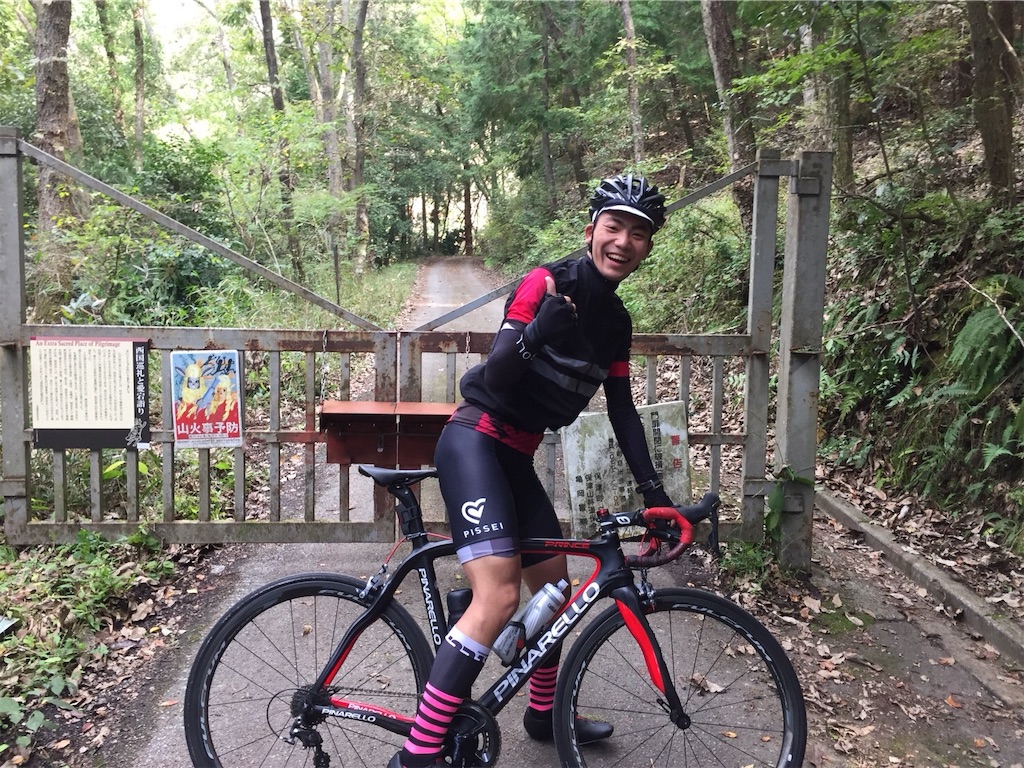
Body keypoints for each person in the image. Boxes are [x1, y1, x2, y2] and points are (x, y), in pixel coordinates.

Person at [389, 173, 675, 768]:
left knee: (554, 590)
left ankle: (542, 716)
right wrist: (538, 331)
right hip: (475, 441)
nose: (622, 241)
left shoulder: (615, 323)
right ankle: (418, 756)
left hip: (516, 455)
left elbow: (621, 409)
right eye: (614, 226)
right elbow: (495, 378)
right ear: (592, 229)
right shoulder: (545, 283)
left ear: (648, 245)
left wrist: (655, 494)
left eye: (638, 232)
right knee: (495, 598)